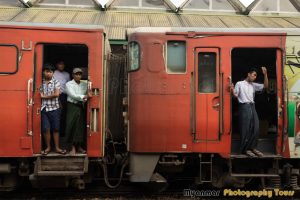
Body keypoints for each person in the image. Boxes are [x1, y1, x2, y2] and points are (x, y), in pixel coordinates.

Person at [230, 67, 268, 157]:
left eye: (256, 76)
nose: (255, 77)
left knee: (256, 128)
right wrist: (232, 89)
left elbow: (265, 86)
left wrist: (265, 74)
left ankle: (252, 147)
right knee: (245, 128)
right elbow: (235, 95)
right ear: (248, 74)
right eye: (254, 75)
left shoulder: (253, 85)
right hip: (244, 106)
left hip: (252, 106)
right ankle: (244, 149)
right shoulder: (239, 84)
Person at [40, 63, 66, 155]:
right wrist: (43, 96)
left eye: (50, 72)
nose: (48, 74)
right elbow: (39, 94)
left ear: (52, 73)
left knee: (56, 129)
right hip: (44, 109)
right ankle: (48, 148)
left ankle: (57, 148)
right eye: (47, 71)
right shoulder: (41, 82)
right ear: (43, 72)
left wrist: (44, 97)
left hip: (55, 108)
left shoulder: (56, 82)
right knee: (46, 129)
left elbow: (56, 94)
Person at [65, 68, 92, 155]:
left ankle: (79, 146)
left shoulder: (84, 84)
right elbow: (73, 95)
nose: (78, 76)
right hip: (72, 106)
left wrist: (91, 81)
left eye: (80, 74)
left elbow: (91, 84)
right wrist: (85, 97)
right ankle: (72, 147)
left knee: (80, 126)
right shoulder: (68, 84)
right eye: (76, 74)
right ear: (73, 75)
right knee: (71, 125)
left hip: (80, 106)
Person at [53, 60, 70, 135]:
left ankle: (62, 133)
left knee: (64, 114)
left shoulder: (67, 74)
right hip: (56, 96)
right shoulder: (53, 73)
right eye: (60, 64)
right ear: (57, 65)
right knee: (57, 114)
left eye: (63, 64)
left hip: (65, 96)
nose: (61, 66)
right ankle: (56, 131)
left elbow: (69, 85)